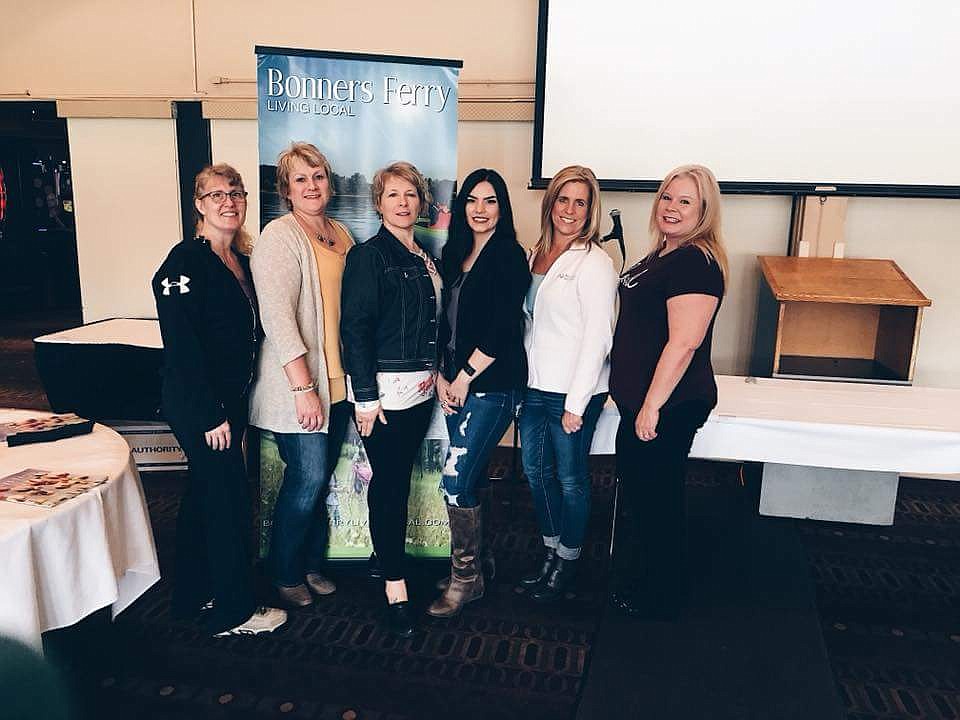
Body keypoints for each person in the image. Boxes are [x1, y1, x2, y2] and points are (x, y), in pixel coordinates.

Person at [152, 163, 286, 636]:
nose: (228, 202)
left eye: (236, 193)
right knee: (228, 500)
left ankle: (190, 594)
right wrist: (210, 414)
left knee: (201, 495)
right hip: (201, 408)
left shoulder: (241, 260)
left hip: (231, 404)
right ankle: (236, 610)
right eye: (216, 195)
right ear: (199, 203)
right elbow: (183, 344)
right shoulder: (186, 261)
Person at [609, 164, 728, 620]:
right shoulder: (662, 256)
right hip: (643, 403)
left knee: (657, 500)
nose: (672, 208)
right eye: (667, 197)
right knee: (644, 495)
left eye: (685, 201)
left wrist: (651, 407)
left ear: (703, 211)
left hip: (669, 405)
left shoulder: (696, 261)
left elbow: (684, 342)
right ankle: (657, 580)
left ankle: (663, 592)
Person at [249, 142, 355, 608]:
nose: (311, 186)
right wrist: (303, 387)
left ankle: (310, 562)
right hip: (302, 386)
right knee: (307, 477)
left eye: (318, 177)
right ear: (286, 190)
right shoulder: (280, 236)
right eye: (300, 179)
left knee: (320, 477)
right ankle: (285, 571)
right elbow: (277, 318)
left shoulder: (342, 233)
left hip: (339, 382)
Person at [341, 161, 442, 636]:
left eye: (411, 195)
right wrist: (365, 398)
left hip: (422, 391)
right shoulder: (369, 256)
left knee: (398, 479)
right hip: (386, 395)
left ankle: (391, 564)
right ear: (378, 203)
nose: (404, 203)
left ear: (421, 203)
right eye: (393, 195)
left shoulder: (424, 256)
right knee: (391, 487)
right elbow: (355, 329)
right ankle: (394, 587)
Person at [427, 169, 531, 618]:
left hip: (491, 385)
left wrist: (464, 378)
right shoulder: (456, 253)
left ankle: (465, 578)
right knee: (470, 477)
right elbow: (442, 320)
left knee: (454, 480)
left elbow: (503, 328)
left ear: (502, 208)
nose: (479, 209)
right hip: (453, 381)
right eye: (472, 200)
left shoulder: (508, 255)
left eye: (490, 201)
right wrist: (440, 375)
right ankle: (479, 562)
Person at [518, 165, 618, 602]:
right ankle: (549, 552)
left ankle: (569, 562)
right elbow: (528, 326)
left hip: (573, 393)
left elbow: (599, 336)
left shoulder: (596, 262)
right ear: (551, 203)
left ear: (590, 210)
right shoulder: (534, 253)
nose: (570, 210)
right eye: (563, 199)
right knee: (535, 474)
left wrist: (576, 404)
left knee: (571, 480)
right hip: (534, 389)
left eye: (581, 202)